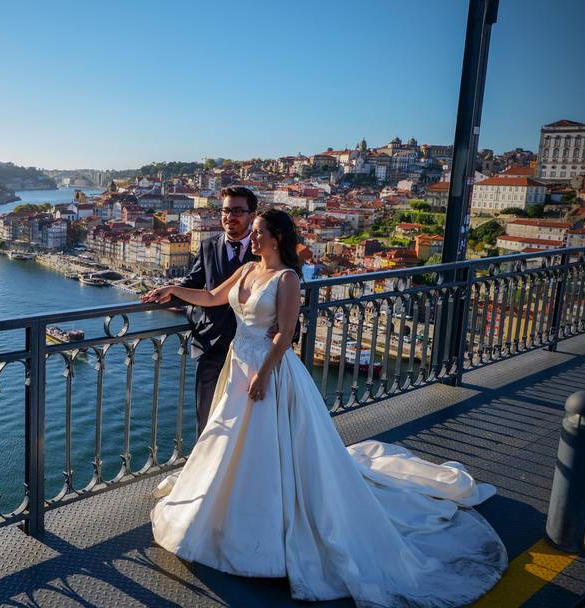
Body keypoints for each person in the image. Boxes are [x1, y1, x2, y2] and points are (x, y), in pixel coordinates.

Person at [141, 209, 506, 608]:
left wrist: (263, 376)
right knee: (225, 438)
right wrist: (174, 290)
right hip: (238, 365)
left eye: (260, 232)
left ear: (277, 237)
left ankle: (261, 530)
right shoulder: (246, 270)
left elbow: (284, 336)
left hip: (268, 371)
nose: (253, 238)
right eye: (255, 232)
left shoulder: (287, 279)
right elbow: (211, 298)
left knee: (268, 448)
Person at [175, 186, 260, 438]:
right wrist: (168, 291)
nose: (229, 216)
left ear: (252, 215)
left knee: (246, 422)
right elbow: (193, 282)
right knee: (208, 422)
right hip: (210, 345)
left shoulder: (265, 249)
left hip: (250, 350)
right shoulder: (208, 246)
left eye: (237, 211)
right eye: (225, 210)